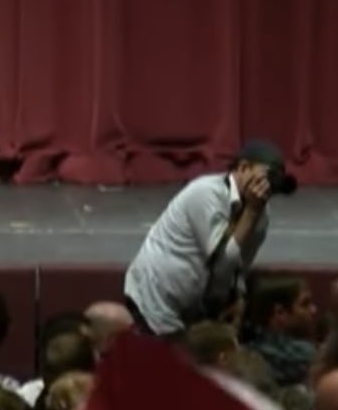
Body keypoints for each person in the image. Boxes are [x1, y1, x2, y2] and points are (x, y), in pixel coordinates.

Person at [123, 139, 296, 338]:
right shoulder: (206, 193)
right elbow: (224, 258)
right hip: (154, 300)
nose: (267, 187)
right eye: (267, 176)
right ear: (243, 168)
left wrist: (238, 296)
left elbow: (238, 266)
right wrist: (251, 212)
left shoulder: (260, 217)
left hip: (193, 308)